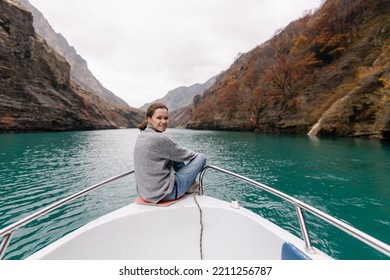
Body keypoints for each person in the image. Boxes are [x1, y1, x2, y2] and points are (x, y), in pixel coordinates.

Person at [134, 103, 207, 203]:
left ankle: (189, 186)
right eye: (159, 118)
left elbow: (177, 154)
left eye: (166, 118)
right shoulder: (159, 138)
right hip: (165, 194)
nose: (163, 121)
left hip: (146, 193)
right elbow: (191, 155)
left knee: (174, 157)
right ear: (149, 119)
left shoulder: (142, 135)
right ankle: (189, 186)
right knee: (201, 157)